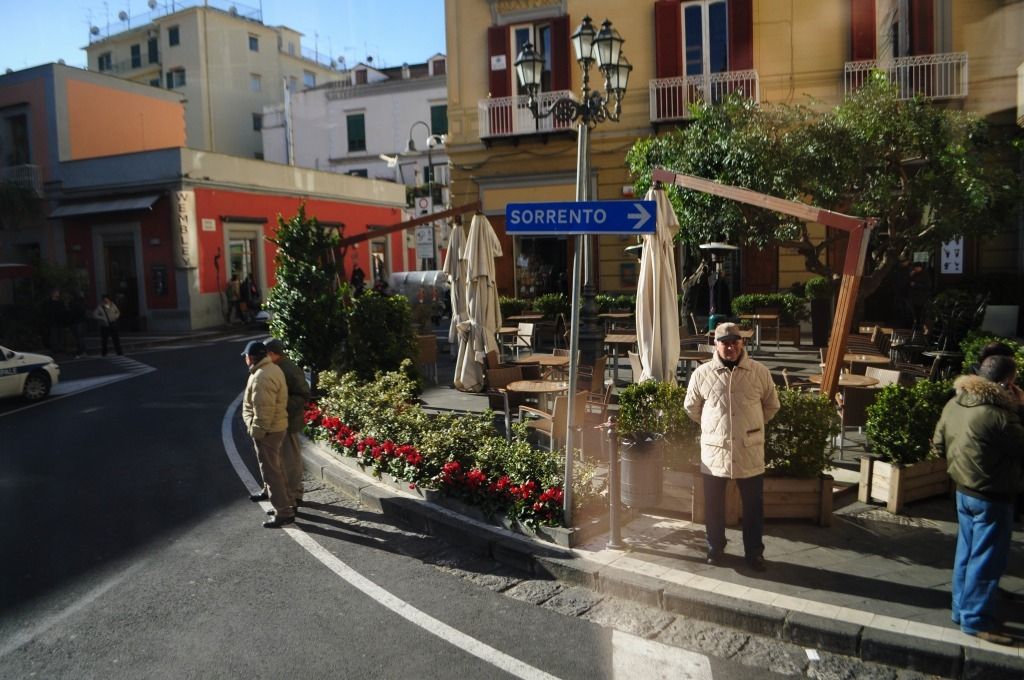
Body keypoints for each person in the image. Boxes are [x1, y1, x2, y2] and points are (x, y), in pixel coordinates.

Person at [932, 354, 1024, 646]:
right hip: (993, 494)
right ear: (1006, 383)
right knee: (987, 560)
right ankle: (975, 620)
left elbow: (938, 445)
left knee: (967, 553)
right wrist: (1020, 408)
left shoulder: (955, 403)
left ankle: (960, 610)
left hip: (963, 490)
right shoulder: (999, 416)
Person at [684, 322, 780, 571]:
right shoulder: (702, 374)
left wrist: (752, 425)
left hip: (749, 449)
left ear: (742, 343)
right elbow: (691, 407)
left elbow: (772, 405)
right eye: (725, 343)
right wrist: (714, 427)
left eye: (735, 342)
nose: (730, 347)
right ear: (715, 344)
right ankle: (715, 547)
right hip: (715, 451)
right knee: (713, 505)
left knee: (753, 507)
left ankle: (754, 553)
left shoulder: (759, 372)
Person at [241, 340, 294, 528]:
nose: (245, 359)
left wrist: (255, 431)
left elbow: (263, 411)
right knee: (275, 469)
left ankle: (284, 512)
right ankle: (285, 503)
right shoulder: (271, 369)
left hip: (268, 431)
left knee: (272, 473)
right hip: (276, 427)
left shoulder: (261, 377)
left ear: (251, 357)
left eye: (246, 356)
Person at [264, 338, 311, 511]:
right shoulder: (277, 367)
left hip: (289, 422)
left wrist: (281, 405)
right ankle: (290, 494)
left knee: (290, 462)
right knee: (281, 461)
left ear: (272, 354)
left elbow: (303, 394)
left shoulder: (288, 369)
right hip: (282, 421)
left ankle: (294, 496)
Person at [44, 289, 68, 355]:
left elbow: (64, 311)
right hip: (53, 321)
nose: (58, 294)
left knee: (60, 335)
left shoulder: (60, 302)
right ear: (53, 294)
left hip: (60, 321)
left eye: (58, 293)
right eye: (56, 293)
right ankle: (55, 348)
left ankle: (60, 348)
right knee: (54, 335)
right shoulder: (49, 303)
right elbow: (47, 312)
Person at [68, 291, 88, 358]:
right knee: (80, 337)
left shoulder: (73, 303)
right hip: (81, 321)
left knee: (78, 338)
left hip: (76, 321)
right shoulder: (82, 302)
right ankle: (82, 351)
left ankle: (81, 352)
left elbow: (72, 312)